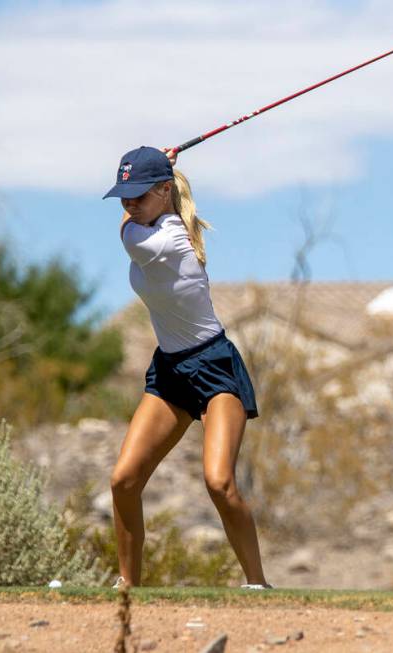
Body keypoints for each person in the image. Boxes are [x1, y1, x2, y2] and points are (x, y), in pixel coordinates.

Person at [102, 145, 271, 590]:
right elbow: (137, 213)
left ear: (164, 191)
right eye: (124, 195)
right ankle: (128, 589)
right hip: (171, 370)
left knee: (219, 482)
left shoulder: (164, 238)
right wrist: (160, 173)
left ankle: (258, 585)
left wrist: (163, 175)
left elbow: (126, 231)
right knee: (123, 480)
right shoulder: (149, 221)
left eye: (139, 195)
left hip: (214, 367)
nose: (129, 205)